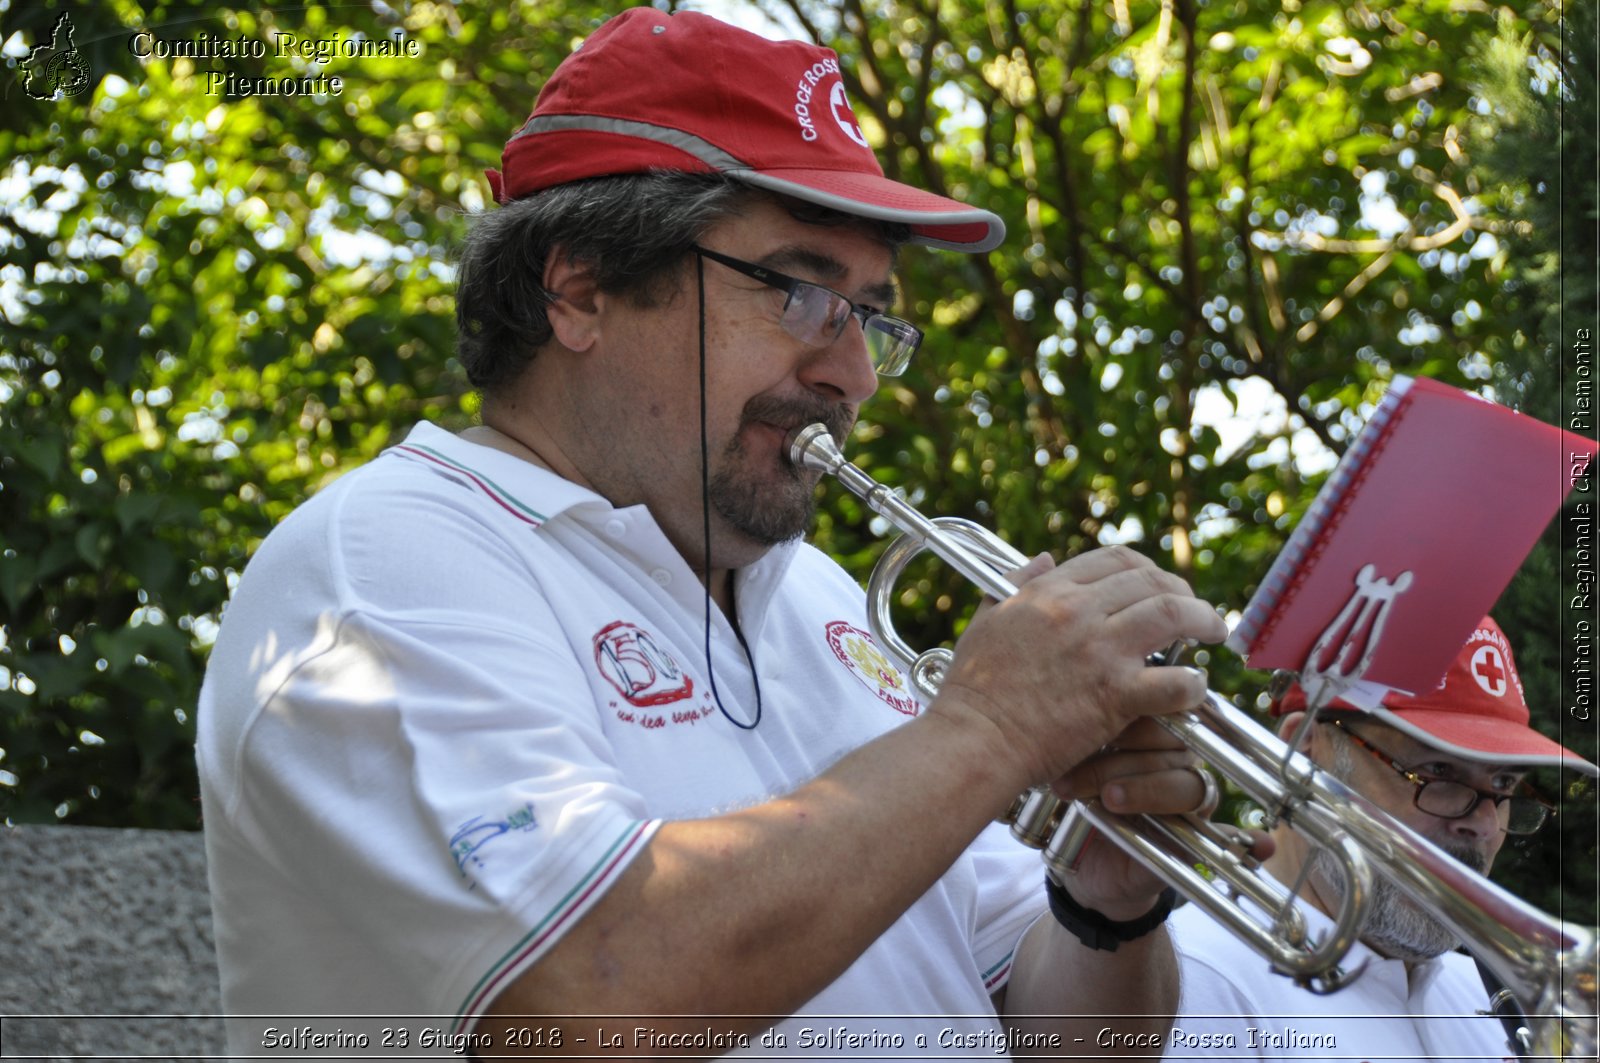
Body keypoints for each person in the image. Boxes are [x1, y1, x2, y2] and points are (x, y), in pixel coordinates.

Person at [196, 7, 1232, 1058]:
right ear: (580, 289)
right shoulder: (386, 563)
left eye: (871, 315)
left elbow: (1066, 1040)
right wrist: (990, 729)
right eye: (798, 293)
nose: (853, 375)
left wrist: (1107, 899)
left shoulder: (817, 594)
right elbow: (593, 1000)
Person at [1162, 617, 1597, 1062]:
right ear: (1303, 753)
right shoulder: (1193, 980)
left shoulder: (1492, 998)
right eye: (1438, 771)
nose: (1485, 825)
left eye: (1504, 782)